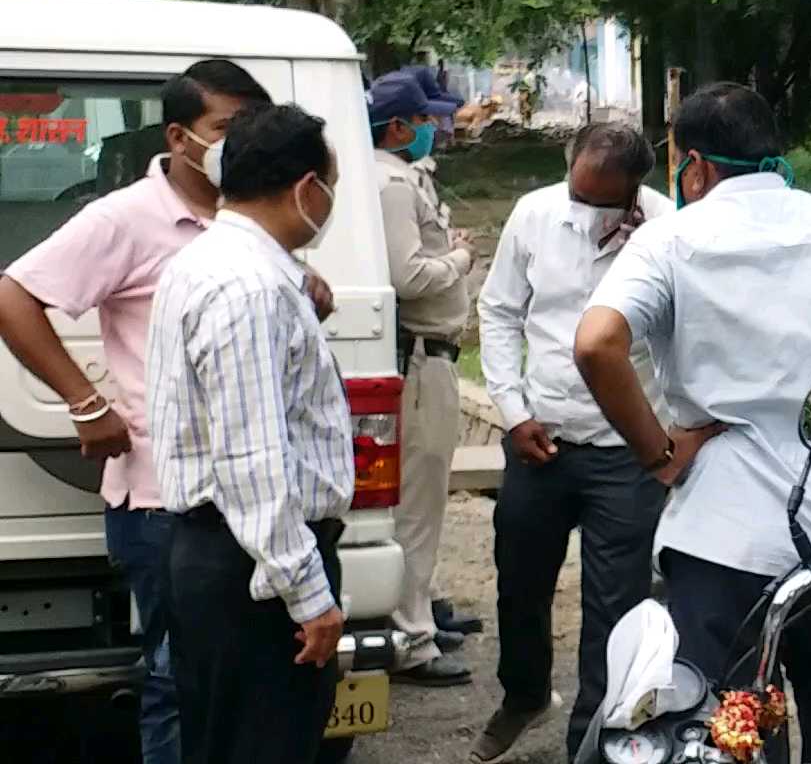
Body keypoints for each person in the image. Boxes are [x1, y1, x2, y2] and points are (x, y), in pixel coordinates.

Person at [576, 83, 811, 764]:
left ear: (694, 166)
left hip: (721, 546)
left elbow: (597, 343)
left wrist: (657, 455)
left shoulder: (669, 241)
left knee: (722, 738)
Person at [0, 61, 278, 764]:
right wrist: (86, 402)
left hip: (256, 497)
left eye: (255, 127)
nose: (242, 143)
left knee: (250, 684)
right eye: (227, 129)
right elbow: (14, 297)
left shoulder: (258, 213)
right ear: (181, 137)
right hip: (167, 506)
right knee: (178, 683)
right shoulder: (125, 218)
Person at [146, 104, 352, 764]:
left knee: (224, 741)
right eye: (331, 186)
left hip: (228, 556)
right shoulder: (248, 287)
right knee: (265, 744)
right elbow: (251, 458)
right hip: (253, 567)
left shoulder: (203, 261)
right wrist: (309, 594)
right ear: (305, 189)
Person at [469, 122, 676, 764]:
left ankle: (588, 740)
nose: (582, 209)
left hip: (627, 453)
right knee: (520, 582)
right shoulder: (534, 214)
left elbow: (684, 333)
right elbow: (500, 311)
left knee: (615, 608)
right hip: (541, 440)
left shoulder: (667, 227)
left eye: (598, 202)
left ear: (632, 190)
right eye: (576, 191)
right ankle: (525, 694)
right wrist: (511, 410)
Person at [367, 70, 476, 686]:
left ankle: (417, 609)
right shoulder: (388, 185)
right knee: (416, 501)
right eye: (427, 119)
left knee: (426, 499)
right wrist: (460, 258)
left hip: (431, 355)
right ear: (401, 126)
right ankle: (411, 638)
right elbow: (408, 277)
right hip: (416, 357)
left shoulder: (403, 179)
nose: (437, 127)